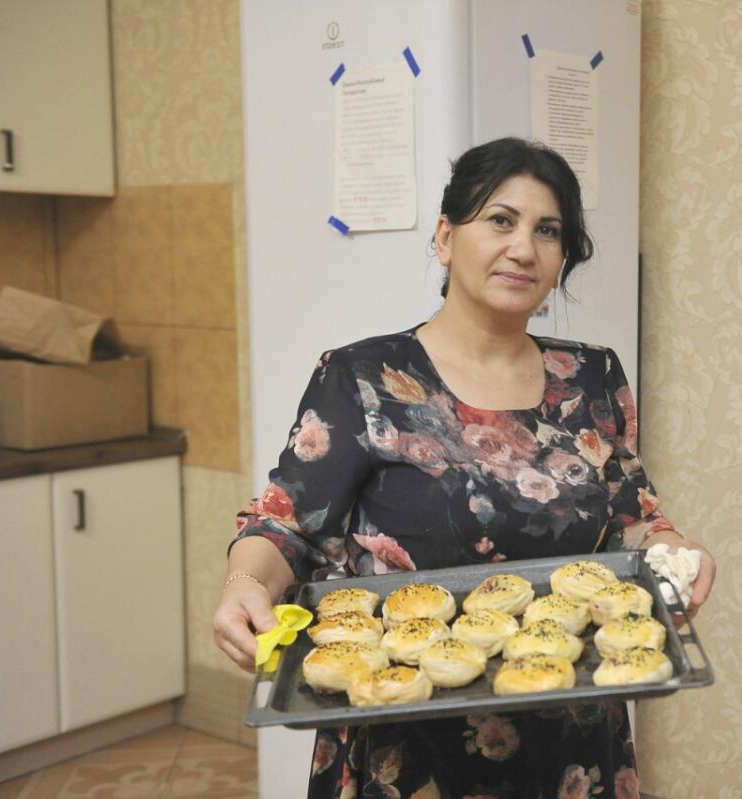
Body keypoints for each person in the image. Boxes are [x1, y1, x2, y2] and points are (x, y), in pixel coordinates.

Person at [213, 137, 716, 798]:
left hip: (570, 735)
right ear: (446, 237)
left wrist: (675, 553)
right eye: (501, 220)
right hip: (406, 738)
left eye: (548, 231)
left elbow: (633, 517)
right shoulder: (363, 377)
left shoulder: (591, 376)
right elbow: (284, 522)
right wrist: (245, 581)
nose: (523, 248)